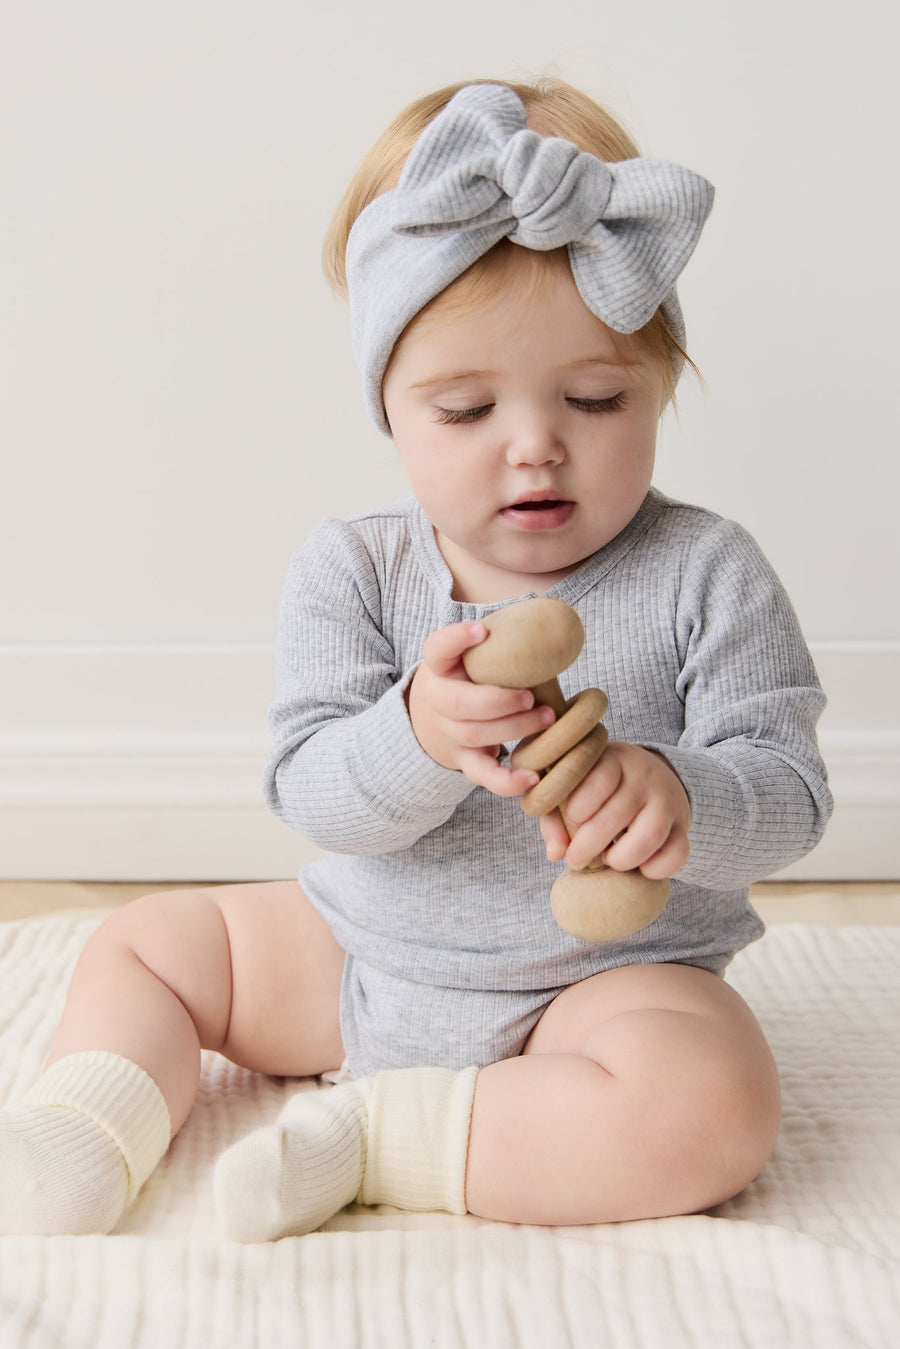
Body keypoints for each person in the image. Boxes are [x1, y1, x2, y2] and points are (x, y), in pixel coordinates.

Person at [0, 78, 832, 1241]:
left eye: (595, 397)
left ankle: (385, 1137)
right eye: (464, 409)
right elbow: (309, 788)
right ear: (389, 407)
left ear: (660, 385)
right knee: (146, 941)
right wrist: (419, 732)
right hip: (359, 950)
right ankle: (88, 1128)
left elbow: (791, 796)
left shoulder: (709, 569)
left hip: (605, 989)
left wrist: (684, 794)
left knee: (712, 1107)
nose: (535, 445)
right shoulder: (354, 567)